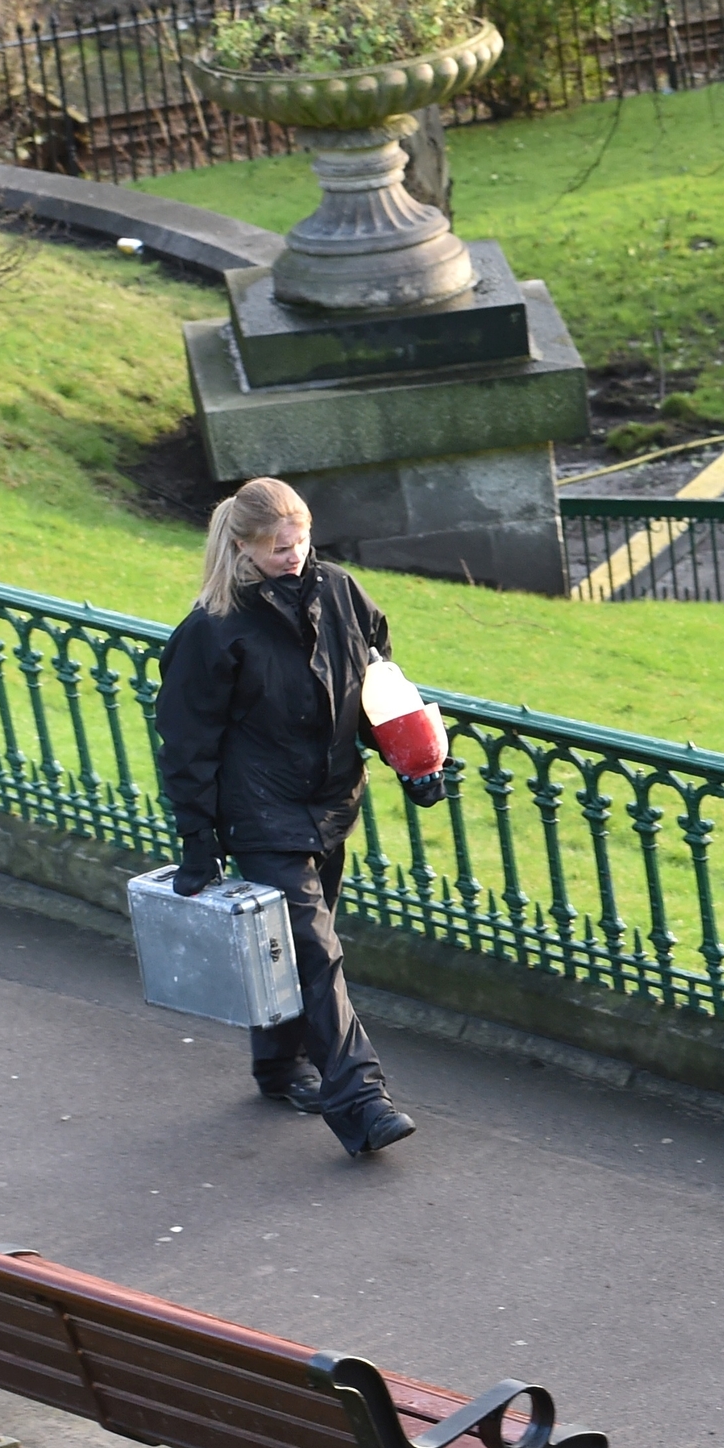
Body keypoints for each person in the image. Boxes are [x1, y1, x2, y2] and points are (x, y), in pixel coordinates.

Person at [155, 479, 436, 1158]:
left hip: (332, 800)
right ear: (243, 546)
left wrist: (416, 764)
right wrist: (198, 842)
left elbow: (377, 690)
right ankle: (362, 1101)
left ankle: (279, 1067)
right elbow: (186, 744)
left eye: (300, 541)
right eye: (278, 547)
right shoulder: (212, 630)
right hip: (260, 812)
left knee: (289, 946)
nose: (292, 555)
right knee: (316, 952)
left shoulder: (341, 592)